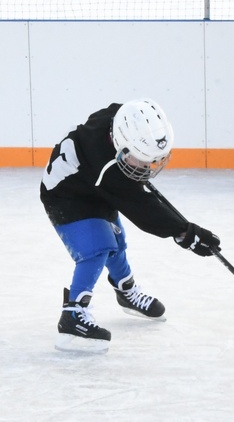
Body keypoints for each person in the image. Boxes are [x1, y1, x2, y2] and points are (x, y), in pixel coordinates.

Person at [40, 99, 222, 354]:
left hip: (91, 185)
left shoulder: (121, 118)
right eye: (141, 160)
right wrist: (186, 233)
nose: (147, 167)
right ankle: (73, 316)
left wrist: (182, 230)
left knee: (117, 242)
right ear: (121, 148)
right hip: (67, 196)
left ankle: (126, 291)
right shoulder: (111, 171)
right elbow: (145, 211)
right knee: (97, 249)